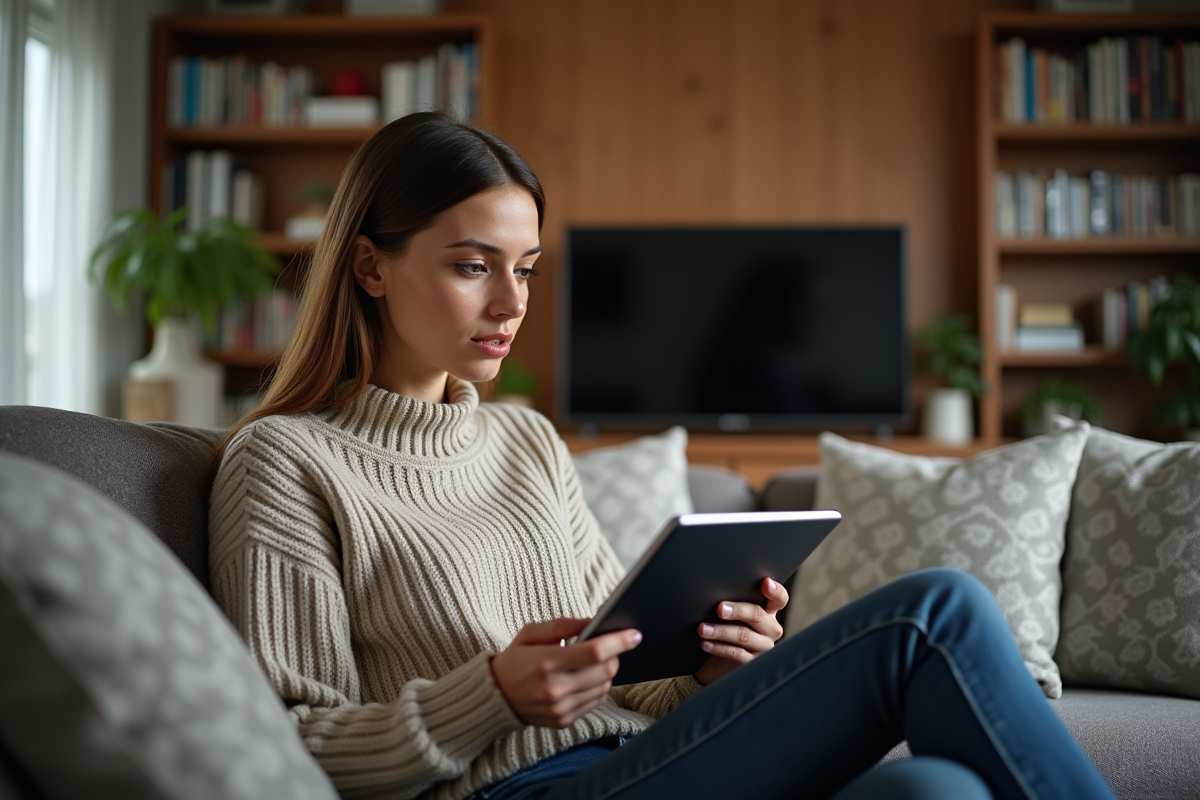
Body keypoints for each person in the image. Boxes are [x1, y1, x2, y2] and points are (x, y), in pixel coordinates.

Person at [208, 112, 1115, 800]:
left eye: (523, 268)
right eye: (472, 265)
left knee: (936, 790)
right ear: (369, 266)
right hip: (519, 793)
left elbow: (629, 672)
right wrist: (491, 695)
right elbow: (286, 749)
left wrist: (712, 672)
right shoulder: (285, 463)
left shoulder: (524, 438)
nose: (511, 304)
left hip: (635, 766)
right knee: (933, 612)